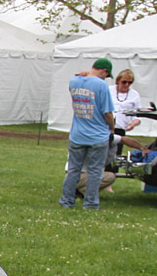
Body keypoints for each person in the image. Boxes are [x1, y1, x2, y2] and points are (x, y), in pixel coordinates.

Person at [59, 58, 115, 209]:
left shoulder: (74, 80)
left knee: (73, 170)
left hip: (77, 134)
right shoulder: (102, 85)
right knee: (95, 171)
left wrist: (82, 74)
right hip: (97, 135)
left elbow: (79, 79)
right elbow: (107, 112)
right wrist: (112, 126)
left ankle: (67, 200)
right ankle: (90, 203)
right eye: (107, 75)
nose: (106, 78)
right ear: (103, 71)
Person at [76, 133, 149, 196]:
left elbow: (124, 139)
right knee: (110, 177)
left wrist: (142, 148)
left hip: (77, 173)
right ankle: (82, 192)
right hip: (78, 175)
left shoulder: (99, 137)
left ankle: (81, 192)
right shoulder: (90, 146)